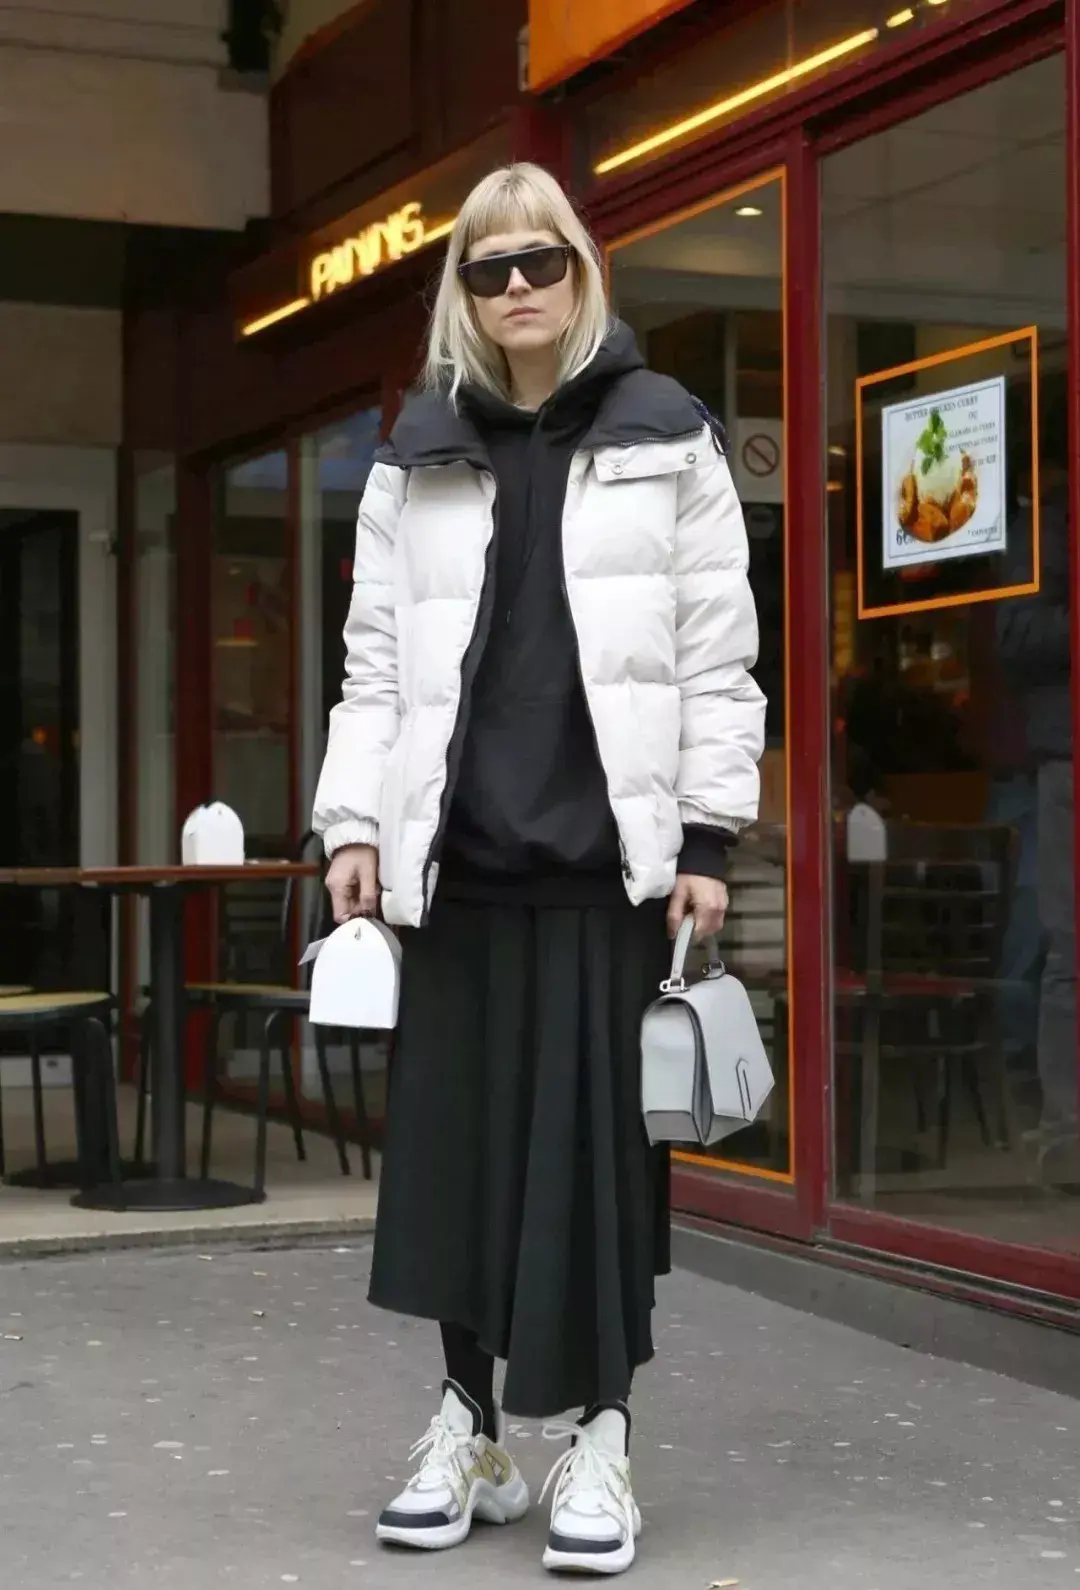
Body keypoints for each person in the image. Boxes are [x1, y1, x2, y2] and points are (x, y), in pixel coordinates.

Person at [312, 162, 764, 1575]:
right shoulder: (417, 449)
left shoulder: (666, 431)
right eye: (489, 266)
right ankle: (472, 1428)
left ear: (581, 271)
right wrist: (354, 826)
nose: (517, 286)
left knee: (600, 1169)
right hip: (456, 871)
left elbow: (717, 656)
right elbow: (373, 664)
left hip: (602, 869)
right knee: (457, 1164)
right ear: (464, 287)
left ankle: (604, 1438)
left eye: (541, 261)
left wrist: (708, 838)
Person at [998, 430, 1078, 1188]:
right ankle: (1069, 1136)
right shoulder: (1045, 530)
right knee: (1071, 951)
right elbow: (1017, 635)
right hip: (1068, 762)